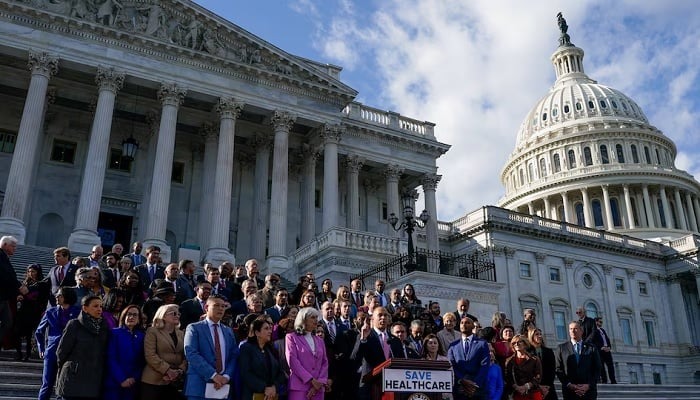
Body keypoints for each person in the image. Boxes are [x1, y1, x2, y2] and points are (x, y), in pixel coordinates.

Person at [184, 294, 239, 400]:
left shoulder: (228, 331)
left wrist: (226, 376)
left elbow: (234, 355)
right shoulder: (194, 328)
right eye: (217, 305)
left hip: (222, 386)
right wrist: (213, 375)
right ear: (206, 307)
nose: (221, 309)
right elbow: (191, 354)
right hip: (199, 387)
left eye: (223, 306)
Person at [55, 294, 110, 400]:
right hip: (73, 379)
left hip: (93, 380)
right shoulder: (74, 325)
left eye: (101, 306)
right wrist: (72, 367)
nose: (99, 309)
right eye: (95, 306)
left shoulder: (103, 328)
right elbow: (61, 352)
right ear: (85, 308)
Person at [35, 287, 80, 400]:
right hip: (51, 351)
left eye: (60, 295)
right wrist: (41, 348)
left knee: (64, 384)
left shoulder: (78, 312)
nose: (56, 297)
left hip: (70, 352)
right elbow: (39, 331)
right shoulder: (50, 312)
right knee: (47, 383)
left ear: (67, 297)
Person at [141, 304, 187, 400]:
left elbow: (185, 356)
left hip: (174, 382)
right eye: (174, 313)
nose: (177, 315)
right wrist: (168, 370)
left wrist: (179, 371)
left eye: (179, 314)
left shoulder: (181, 333)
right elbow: (150, 355)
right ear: (163, 316)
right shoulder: (153, 331)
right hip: (154, 381)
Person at [105, 305, 146, 400]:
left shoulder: (142, 336)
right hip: (114, 383)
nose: (131, 317)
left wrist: (134, 378)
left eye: (135, 315)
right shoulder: (114, 333)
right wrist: (122, 379)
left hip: (133, 384)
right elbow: (111, 358)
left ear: (139, 319)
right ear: (123, 316)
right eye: (129, 314)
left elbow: (142, 360)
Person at [240, 316, 287, 400]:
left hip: (271, 395)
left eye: (270, 328)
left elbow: (281, 373)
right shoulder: (246, 348)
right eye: (266, 329)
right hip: (252, 395)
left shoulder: (271, 350)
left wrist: (274, 387)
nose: (270, 331)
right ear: (257, 332)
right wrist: (264, 388)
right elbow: (245, 373)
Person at [286, 307, 328, 400]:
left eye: (317, 317)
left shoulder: (320, 340)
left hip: (318, 389)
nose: (316, 320)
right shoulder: (291, 337)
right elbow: (292, 361)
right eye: (313, 317)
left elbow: (325, 363)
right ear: (303, 319)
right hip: (299, 387)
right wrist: (311, 380)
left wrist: (320, 382)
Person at [555, 321, 601, 400]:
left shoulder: (591, 348)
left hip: (588, 392)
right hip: (570, 392)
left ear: (581, 331)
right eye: (570, 329)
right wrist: (569, 384)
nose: (572, 331)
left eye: (575, 329)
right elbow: (558, 368)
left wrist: (588, 385)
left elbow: (597, 368)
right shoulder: (561, 348)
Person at [447, 316, 490, 400]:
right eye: (462, 323)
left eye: (467, 322)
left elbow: (485, 365)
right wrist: (462, 380)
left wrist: (474, 384)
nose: (464, 325)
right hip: (460, 388)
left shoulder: (482, 344)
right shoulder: (453, 346)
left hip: (477, 389)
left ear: (473, 326)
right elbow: (451, 365)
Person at [13, 263, 50, 360]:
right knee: (17, 332)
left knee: (29, 334)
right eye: (29, 271)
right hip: (23, 310)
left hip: (35, 311)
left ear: (38, 272)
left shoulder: (43, 284)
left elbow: (44, 298)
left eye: (33, 271)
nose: (31, 273)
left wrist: (43, 310)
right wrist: (19, 296)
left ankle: (27, 355)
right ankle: (19, 353)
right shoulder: (25, 283)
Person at [0, 236, 27, 342]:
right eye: (13, 246)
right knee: (7, 322)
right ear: (5, 244)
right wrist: (19, 286)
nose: (14, 249)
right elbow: (4, 274)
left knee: (7, 323)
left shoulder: (4, 257)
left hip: (4, 297)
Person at [505, 335, 542, 400]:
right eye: (514, 343)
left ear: (525, 344)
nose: (516, 344)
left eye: (519, 342)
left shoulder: (534, 359)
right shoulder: (509, 361)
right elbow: (508, 377)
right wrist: (517, 387)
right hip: (518, 393)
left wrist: (526, 386)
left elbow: (538, 377)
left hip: (533, 393)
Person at [528, 328, 557, 400]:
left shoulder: (549, 351)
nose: (540, 336)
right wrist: (538, 386)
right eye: (537, 334)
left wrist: (547, 386)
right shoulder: (527, 352)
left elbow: (552, 369)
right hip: (534, 387)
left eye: (540, 334)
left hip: (548, 387)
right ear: (531, 336)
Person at [592, 318, 616, 384]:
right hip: (600, 351)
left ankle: (613, 380)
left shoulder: (603, 330)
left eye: (602, 322)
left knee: (610, 366)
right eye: (600, 322)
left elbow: (607, 339)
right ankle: (604, 380)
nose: (601, 323)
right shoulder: (593, 331)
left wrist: (609, 347)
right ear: (596, 322)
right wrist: (601, 347)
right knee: (601, 366)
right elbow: (593, 341)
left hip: (607, 350)